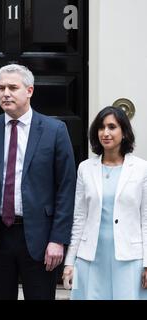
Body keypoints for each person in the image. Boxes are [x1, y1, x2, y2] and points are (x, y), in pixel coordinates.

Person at [0, 64, 76, 300]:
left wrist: (58, 239)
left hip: (40, 238)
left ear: (30, 90)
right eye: (1, 87)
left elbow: (66, 188)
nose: (5, 93)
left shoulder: (55, 130)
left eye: (13, 87)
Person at [62, 106, 147, 300]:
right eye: (101, 128)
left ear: (124, 132)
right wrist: (69, 262)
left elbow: (146, 219)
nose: (105, 133)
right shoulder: (85, 168)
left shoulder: (142, 169)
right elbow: (79, 217)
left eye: (112, 127)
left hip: (129, 259)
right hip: (90, 257)